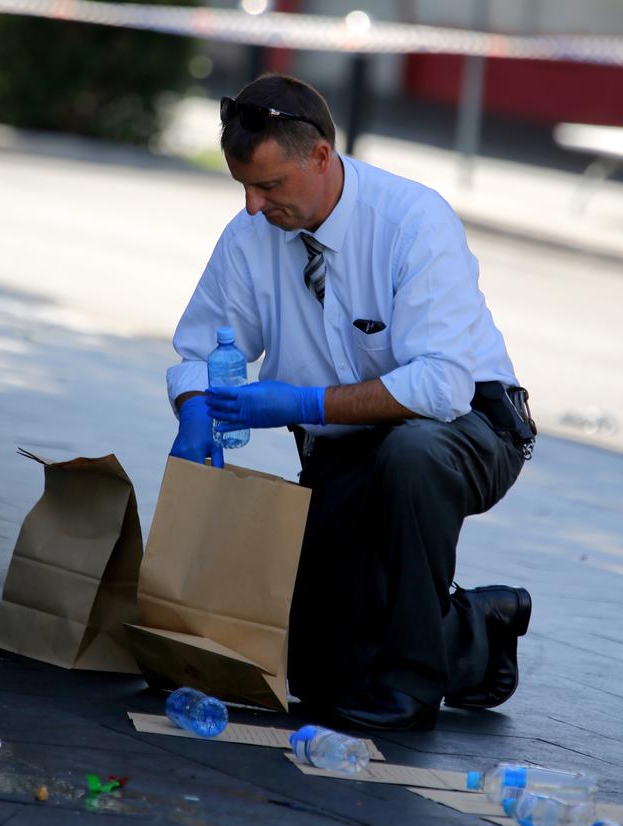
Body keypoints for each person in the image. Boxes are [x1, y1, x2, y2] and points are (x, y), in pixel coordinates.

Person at [167, 73, 536, 731]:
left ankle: (412, 684)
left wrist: (303, 401)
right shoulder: (250, 234)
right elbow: (197, 345)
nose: (253, 206)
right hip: (345, 448)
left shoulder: (412, 220)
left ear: (320, 157)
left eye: (269, 186)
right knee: (315, 669)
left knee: (412, 454)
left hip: (469, 429)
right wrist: (195, 408)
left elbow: (441, 387)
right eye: (243, 187)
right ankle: (477, 630)